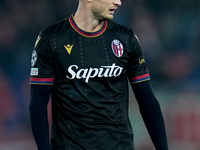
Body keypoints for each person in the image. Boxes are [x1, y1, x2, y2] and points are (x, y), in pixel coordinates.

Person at [29, 0, 169, 149]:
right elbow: (37, 104)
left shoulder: (126, 38)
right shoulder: (51, 39)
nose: (118, 2)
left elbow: (147, 100)